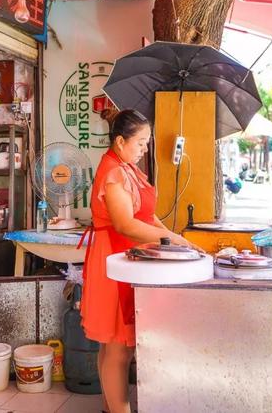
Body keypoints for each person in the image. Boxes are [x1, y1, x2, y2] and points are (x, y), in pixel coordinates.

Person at [80, 109, 202, 413]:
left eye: (147, 143)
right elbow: (124, 224)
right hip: (115, 259)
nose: (144, 149)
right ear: (120, 141)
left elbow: (146, 216)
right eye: (141, 143)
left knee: (113, 344)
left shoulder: (127, 167)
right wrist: (173, 240)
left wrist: (174, 237)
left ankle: (110, 408)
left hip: (128, 257)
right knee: (120, 345)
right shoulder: (113, 171)